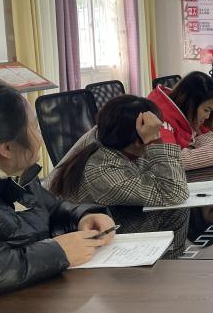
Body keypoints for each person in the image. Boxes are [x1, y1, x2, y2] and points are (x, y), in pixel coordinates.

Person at [0, 83, 115, 293]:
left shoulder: (18, 174)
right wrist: (59, 252)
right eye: (34, 127)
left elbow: (51, 209)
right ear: (6, 148)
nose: (40, 136)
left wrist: (83, 217)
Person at [48, 96, 190, 258]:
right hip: (92, 239)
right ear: (137, 139)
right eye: (155, 130)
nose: (158, 133)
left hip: (111, 217)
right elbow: (174, 192)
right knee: (175, 210)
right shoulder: (102, 170)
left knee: (172, 206)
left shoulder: (121, 150)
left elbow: (166, 180)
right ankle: (171, 264)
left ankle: (170, 262)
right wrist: (154, 141)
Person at [147, 71, 213, 170]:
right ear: (190, 103)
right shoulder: (161, 121)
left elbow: (211, 136)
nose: (207, 116)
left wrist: (193, 149)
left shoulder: (186, 116)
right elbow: (168, 162)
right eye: (206, 110)